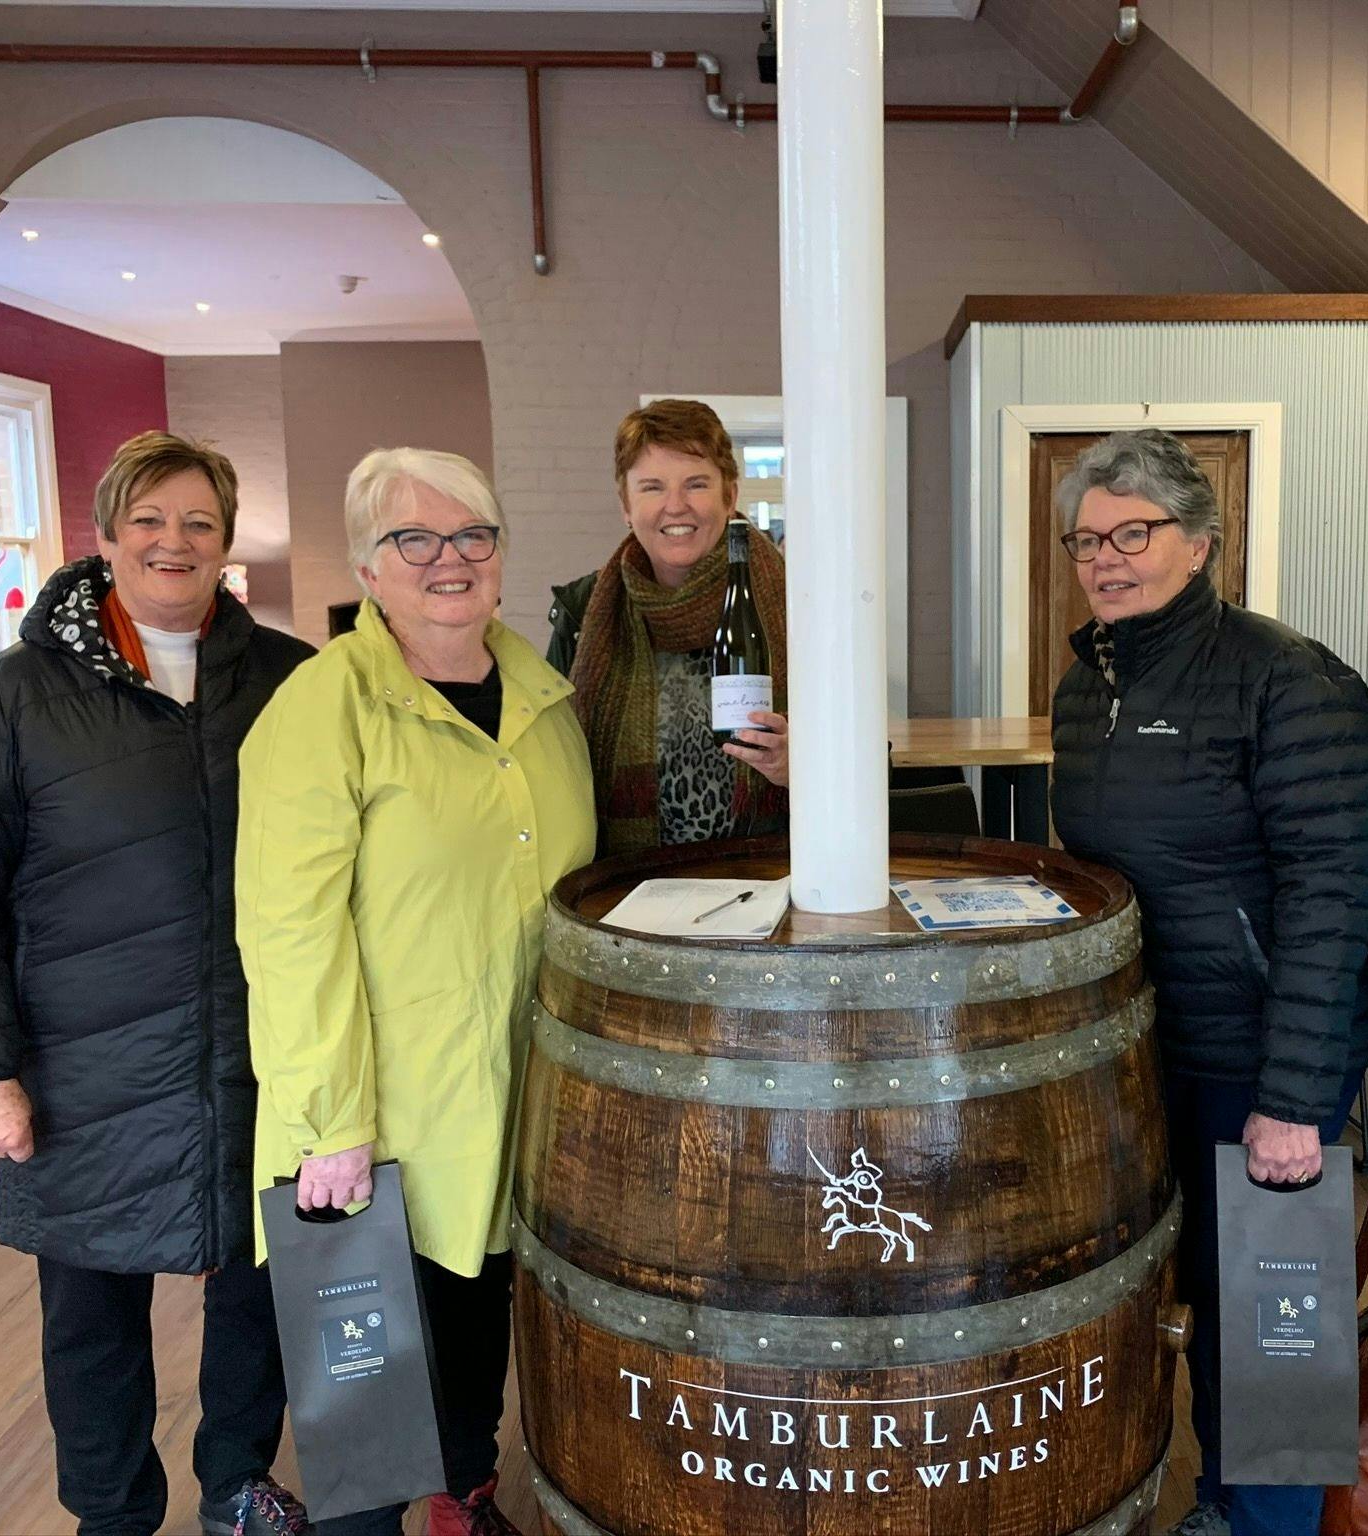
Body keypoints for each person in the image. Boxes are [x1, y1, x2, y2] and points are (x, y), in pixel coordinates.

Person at [0, 431, 315, 1536]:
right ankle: (111, 1513)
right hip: (82, 1066)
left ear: (225, 540)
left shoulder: (291, 681)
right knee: (89, 1310)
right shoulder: (16, 695)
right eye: (149, 520)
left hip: (261, 1057)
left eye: (196, 522)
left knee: (257, 1289)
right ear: (106, 535)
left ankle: (236, 1480)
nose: (172, 542)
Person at [236, 448, 596, 1536]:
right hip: (378, 1114)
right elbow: (289, 933)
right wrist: (328, 1123)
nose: (450, 559)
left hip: (507, 1098)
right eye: (414, 539)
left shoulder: (539, 694)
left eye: (472, 535)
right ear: (369, 565)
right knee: (368, 1404)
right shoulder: (322, 709)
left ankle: (465, 1499)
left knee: (475, 1332)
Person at [1046, 430, 1368, 1536]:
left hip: (1259, 1054)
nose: (1105, 556)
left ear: (1198, 539)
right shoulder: (1083, 686)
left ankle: (1266, 1518)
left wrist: (1294, 1096)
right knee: (1186, 1290)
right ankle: (1217, 1500)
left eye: (1131, 532)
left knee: (1273, 1320)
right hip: (1141, 1048)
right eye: (1086, 538)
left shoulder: (1286, 676)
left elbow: (1333, 892)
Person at [545, 398, 788, 853]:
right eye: (652, 487)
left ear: (730, 495)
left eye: (696, 484)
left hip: (771, 882)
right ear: (626, 504)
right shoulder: (583, 612)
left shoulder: (801, 605)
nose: (676, 506)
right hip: (628, 892)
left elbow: (875, 762)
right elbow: (552, 765)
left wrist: (805, 767)